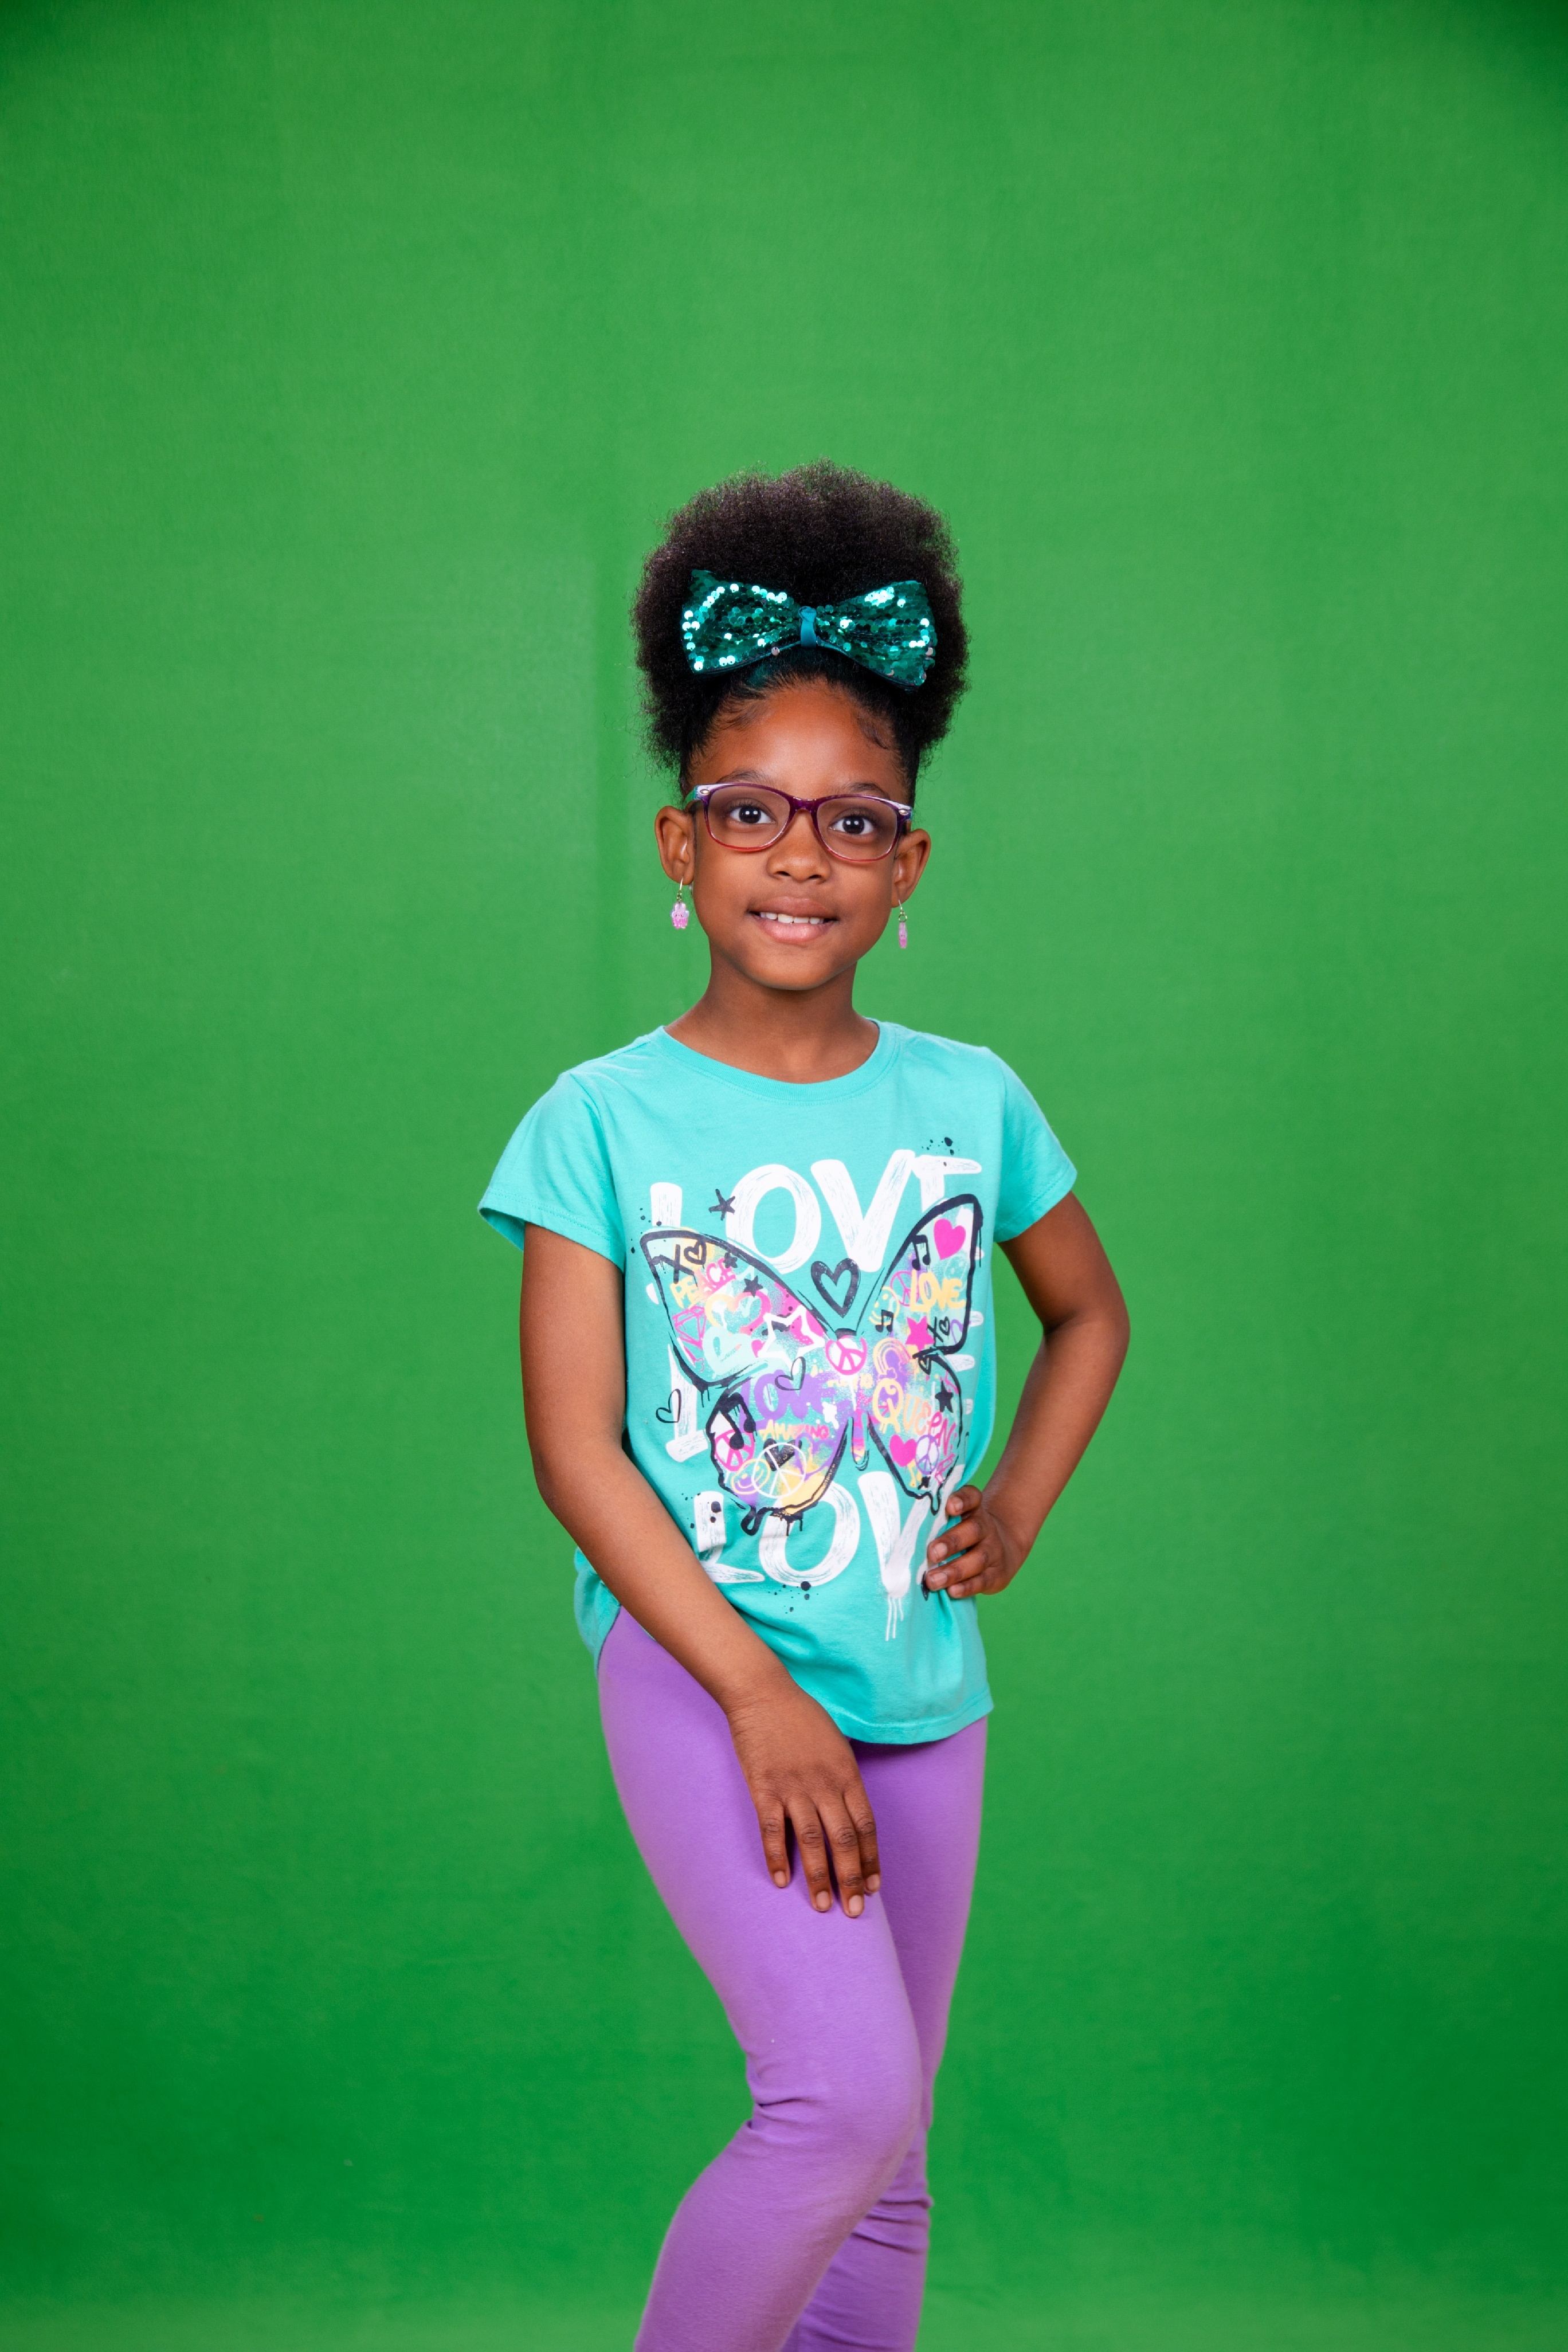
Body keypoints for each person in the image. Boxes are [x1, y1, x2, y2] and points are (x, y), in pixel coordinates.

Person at [480, 462, 1129, 2352]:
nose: (800, 855)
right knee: (834, 2104)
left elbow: (1087, 1315)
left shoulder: (973, 1100)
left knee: (890, 2157)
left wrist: (1020, 1498)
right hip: (709, 1673)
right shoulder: (600, 1124)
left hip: (924, 1684)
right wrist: (759, 1695)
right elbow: (577, 1451)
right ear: (679, 847)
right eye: (750, 811)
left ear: (906, 868)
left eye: (855, 821)